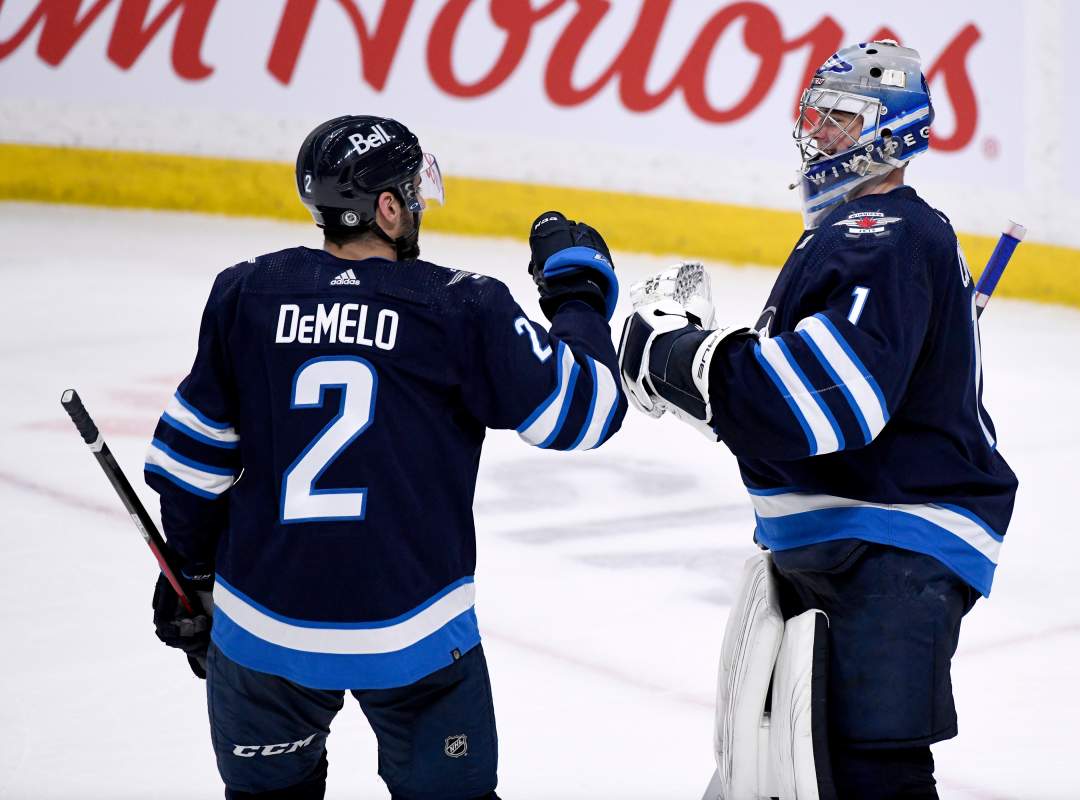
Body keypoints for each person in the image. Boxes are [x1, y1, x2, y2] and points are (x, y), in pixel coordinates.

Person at [143, 114, 626, 799]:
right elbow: (586, 411)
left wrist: (187, 574)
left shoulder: (246, 292)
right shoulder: (462, 307)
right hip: (415, 637)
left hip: (262, 635)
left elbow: (193, 466)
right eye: (411, 191)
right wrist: (575, 292)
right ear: (390, 209)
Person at [619, 41, 1018, 799]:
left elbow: (827, 403)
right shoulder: (864, 233)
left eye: (843, 118)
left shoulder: (884, 233)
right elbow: (795, 414)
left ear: (895, 132)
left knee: (872, 772)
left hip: (892, 544)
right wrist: (696, 379)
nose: (820, 133)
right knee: (801, 769)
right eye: (817, 114)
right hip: (850, 541)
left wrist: (677, 355)